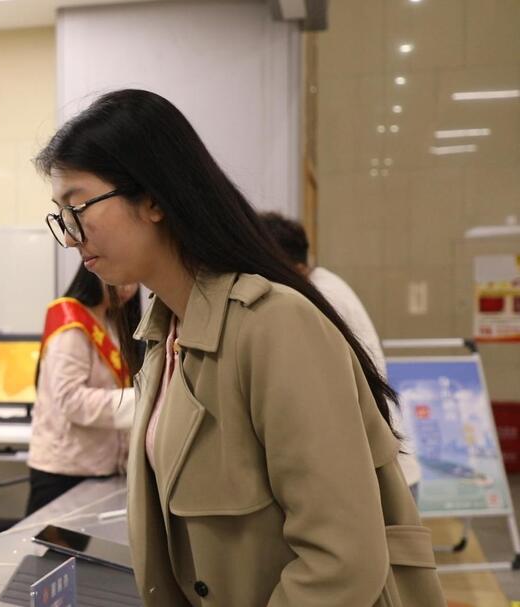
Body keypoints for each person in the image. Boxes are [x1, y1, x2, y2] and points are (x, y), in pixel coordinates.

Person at [35, 89, 445, 606]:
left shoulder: (274, 325)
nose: (71, 236)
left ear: (154, 198)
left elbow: (341, 560)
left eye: (77, 208)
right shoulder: (164, 339)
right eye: (61, 217)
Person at [259, 211, 422, 498]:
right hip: (382, 464)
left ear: (296, 267)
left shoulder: (319, 299)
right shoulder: (323, 284)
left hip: (380, 472)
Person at [26, 263, 141, 514]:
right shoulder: (71, 320)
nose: (127, 289)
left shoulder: (111, 322)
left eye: (134, 281)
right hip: (65, 471)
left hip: (101, 467)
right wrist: (139, 401)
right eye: (121, 279)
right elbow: (71, 400)